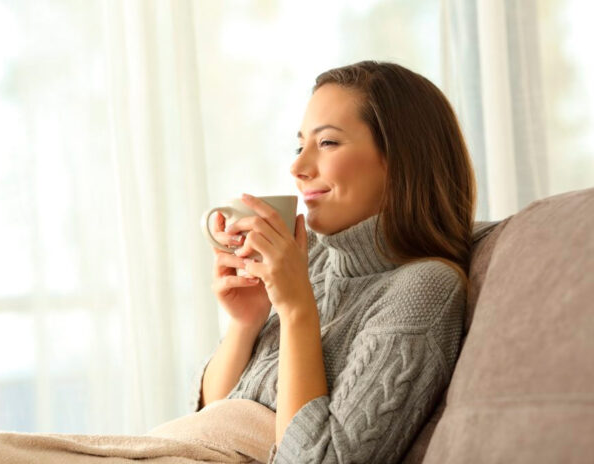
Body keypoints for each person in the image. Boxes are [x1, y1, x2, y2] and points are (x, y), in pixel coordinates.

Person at [191, 60, 477, 463]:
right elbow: (211, 416)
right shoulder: (315, 261)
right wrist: (246, 322)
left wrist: (296, 310)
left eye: (327, 143)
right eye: (300, 145)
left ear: (400, 157)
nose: (297, 167)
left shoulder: (425, 289)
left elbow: (317, 459)